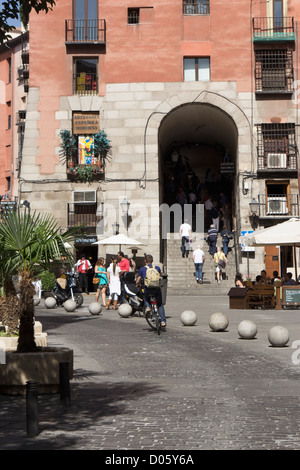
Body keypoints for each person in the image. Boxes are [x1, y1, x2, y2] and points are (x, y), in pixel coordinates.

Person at [136, 254, 166, 328]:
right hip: (156, 288)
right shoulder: (157, 268)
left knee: (145, 297)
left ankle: (148, 307)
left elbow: (138, 279)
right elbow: (160, 276)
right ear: (152, 261)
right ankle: (163, 321)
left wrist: (137, 284)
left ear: (145, 261)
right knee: (160, 305)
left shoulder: (142, 269)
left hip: (148, 288)